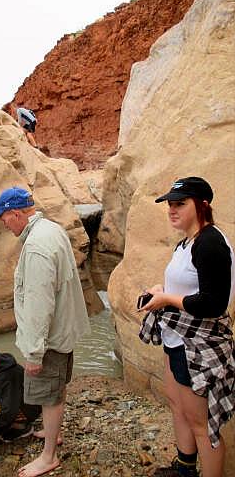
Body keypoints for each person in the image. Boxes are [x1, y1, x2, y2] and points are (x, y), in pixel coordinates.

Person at [0, 186, 91, 477]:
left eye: (3, 218)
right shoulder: (50, 229)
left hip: (50, 339)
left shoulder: (35, 247)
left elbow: (39, 304)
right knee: (56, 387)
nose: (3, 223)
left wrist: (33, 352)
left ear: (16, 213)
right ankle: (51, 431)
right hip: (62, 330)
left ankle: (49, 457)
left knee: (48, 394)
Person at [138, 177, 235, 477]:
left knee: (203, 426)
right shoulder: (188, 241)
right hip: (177, 340)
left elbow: (213, 304)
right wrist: (161, 290)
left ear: (202, 205)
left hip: (198, 347)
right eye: (170, 204)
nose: (172, 210)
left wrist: (166, 298)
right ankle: (184, 469)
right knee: (177, 406)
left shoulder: (210, 243)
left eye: (180, 203)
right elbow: (188, 286)